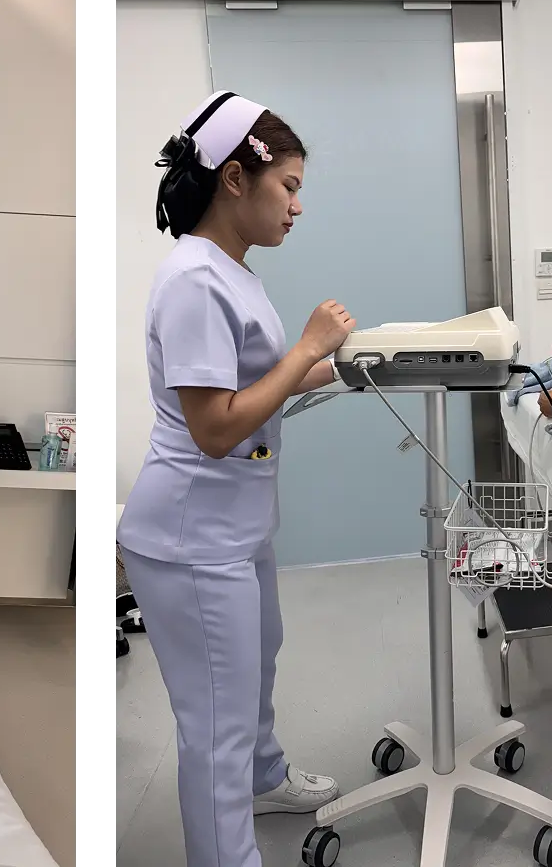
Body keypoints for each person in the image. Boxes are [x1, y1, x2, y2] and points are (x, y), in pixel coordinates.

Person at [115, 90, 353, 867]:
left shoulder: (232, 272)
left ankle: (264, 777)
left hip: (235, 524)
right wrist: (306, 350)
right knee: (214, 720)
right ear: (235, 180)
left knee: (257, 663)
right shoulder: (193, 279)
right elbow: (215, 427)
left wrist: (342, 365)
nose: (297, 207)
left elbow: (257, 384)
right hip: (190, 534)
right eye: (289, 187)